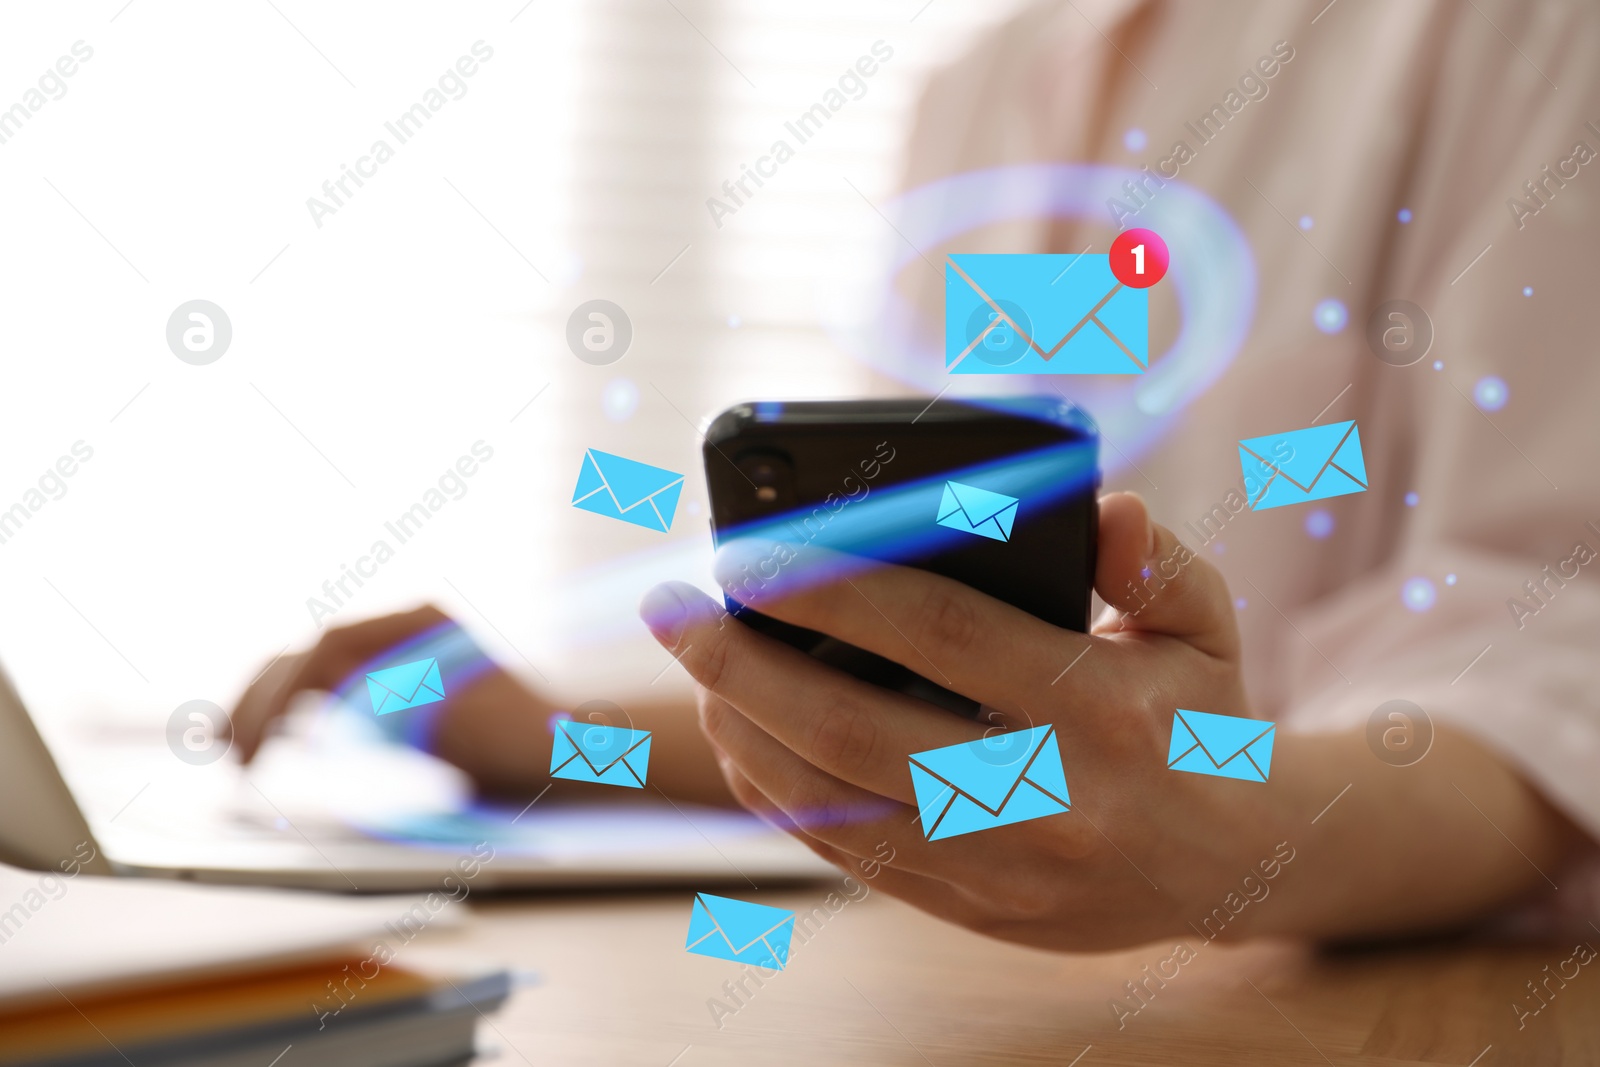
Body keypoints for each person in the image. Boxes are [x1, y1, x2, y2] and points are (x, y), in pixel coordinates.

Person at [231, 0, 1600, 949]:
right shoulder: (986, 91)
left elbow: (1560, 670)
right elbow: (931, 715)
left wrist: (1233, 847)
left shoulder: (1530, 41)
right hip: (985, 1000)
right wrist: (536, 733)